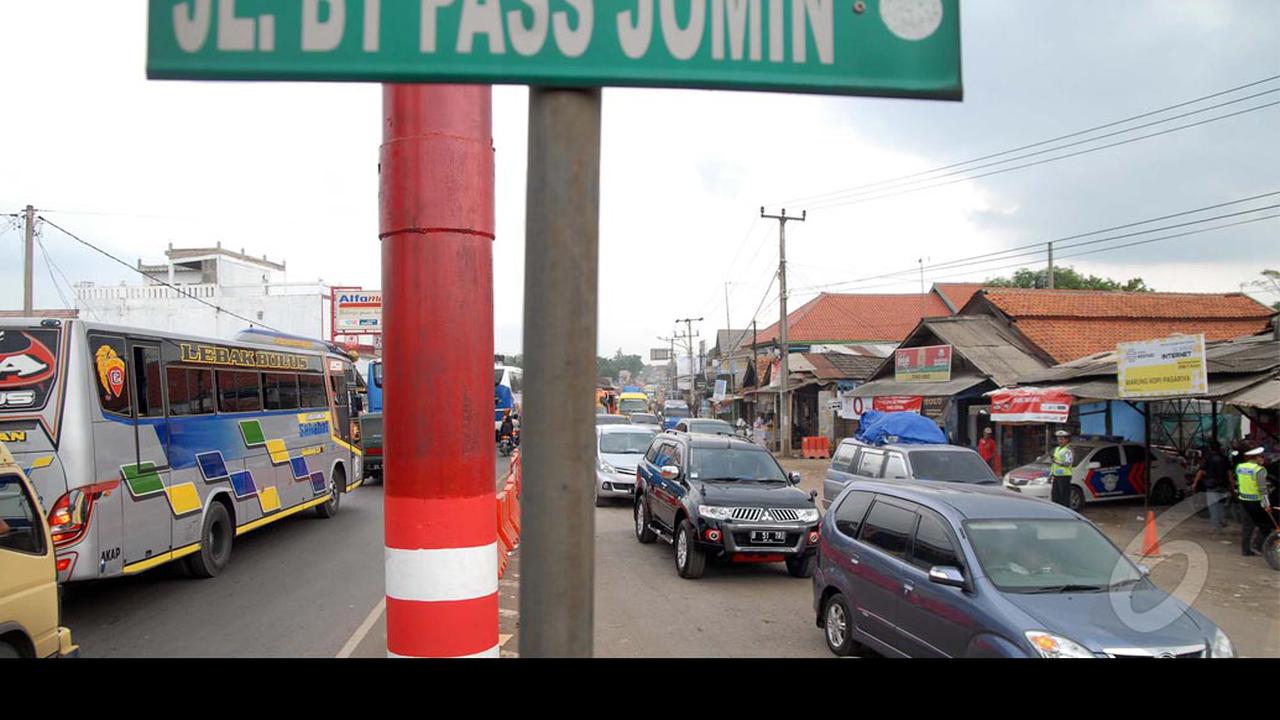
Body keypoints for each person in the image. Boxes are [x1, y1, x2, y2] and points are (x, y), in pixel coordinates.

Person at [1235, 447, 1272, 557]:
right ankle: (1259, 546)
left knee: (1247, 526)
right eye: (1262, 457)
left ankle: (1245, 550)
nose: (1263, 459)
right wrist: (1266, 504)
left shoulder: (1240, 467)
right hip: (1255, 501)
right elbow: (1262, 489)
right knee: (1265, 526)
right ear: (1256, 458)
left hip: (1243, 500)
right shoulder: (1259, 470)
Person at [1192, 440, 1230, 533]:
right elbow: (1229, 474)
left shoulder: (1207, 458)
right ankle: (1222, 520)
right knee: (1221, 505)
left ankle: (1216, 527)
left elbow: (1201, 471)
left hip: (1212, 485)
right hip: (1223, 485)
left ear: (1210, 448)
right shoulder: (1225, 458)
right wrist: (1232, 487)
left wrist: (1195, 483)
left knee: (1213, 506)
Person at [1050, 430, 1074, 508]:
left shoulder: (1068, 450)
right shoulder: (1057, 449)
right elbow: (1053, 464)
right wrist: (1051, 474)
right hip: (1056, 476)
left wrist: (1056, 461)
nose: (1060, 441)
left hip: (1064, 476)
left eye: (1062, 439)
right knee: (1055, 496)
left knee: (1064, 497)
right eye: (1058, 439)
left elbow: (1067, 463)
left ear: (1066, 440)